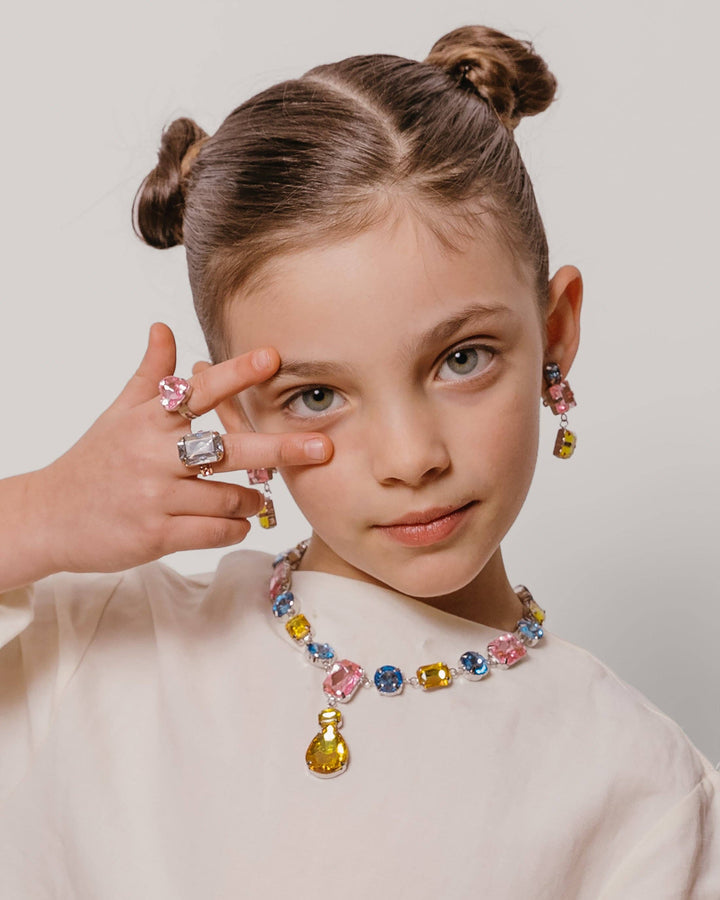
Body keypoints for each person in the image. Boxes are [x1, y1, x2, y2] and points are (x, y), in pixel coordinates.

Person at [0, 23, 717, 898]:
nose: (410, 459)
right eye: (317, 395)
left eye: (462, 359)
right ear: (234, 408)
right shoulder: (101, 647)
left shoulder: (642, 789)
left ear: (555, 333)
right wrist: (40, 513)